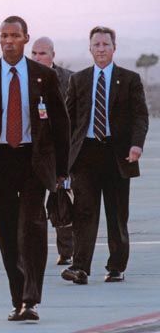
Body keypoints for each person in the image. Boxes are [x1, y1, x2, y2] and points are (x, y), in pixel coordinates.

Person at [0, 16, 70, 321]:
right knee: (7, 235)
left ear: (25, 39)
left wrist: (62, 169)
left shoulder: (43, 76)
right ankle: (18, 297)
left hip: (34, 160)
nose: (8, 41)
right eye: (3, 36)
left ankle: (31, 299)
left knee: (32, 228)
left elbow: (61, 123)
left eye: (14, 36)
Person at [61, 26, 148, 285]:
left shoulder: (129, 79)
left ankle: (116, 266)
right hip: (85, 155)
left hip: (117, 155)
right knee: (84, 212)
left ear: (114, 48)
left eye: (105, 44)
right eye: (96, 44)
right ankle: (80, 267)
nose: (101, 49)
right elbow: (68, 119)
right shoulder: (79, 80)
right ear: (90, 48)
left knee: (116, 213)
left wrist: (136, 145)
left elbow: (140, 116)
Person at [31, 36, 74, 266]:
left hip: (63, 149)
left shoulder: (68, 79)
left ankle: (67, 250)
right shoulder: (26, 78)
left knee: (61, 201)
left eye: (43, 53)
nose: (38, 58)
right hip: (36, 151)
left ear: (53, 55)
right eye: (34, 54)